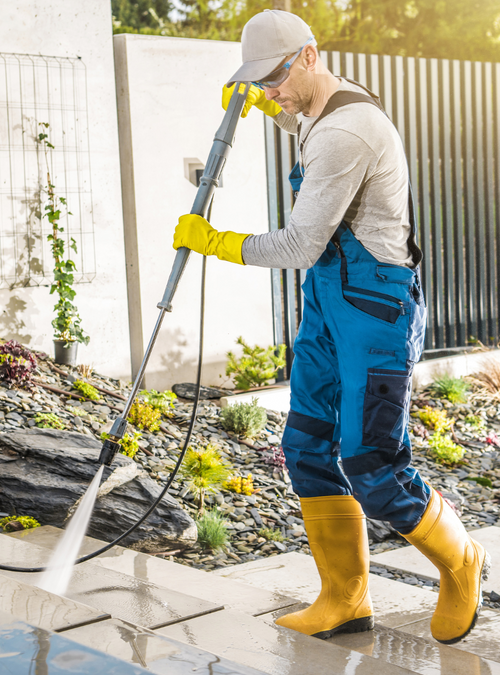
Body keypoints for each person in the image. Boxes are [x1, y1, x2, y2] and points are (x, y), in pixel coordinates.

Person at [173, 9, 490, 645]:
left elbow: (299, 243)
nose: (272, 91)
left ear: (309, 56)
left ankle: (461, 561)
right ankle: (345, 598)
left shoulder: (348, 131)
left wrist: (217, 242)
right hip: (327, 304)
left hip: (375, 310)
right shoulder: (321, 106)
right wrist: (273, 110)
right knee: (307, 445)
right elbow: (304, 120)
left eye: (276, 79)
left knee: (372, 462)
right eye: (260, 82)